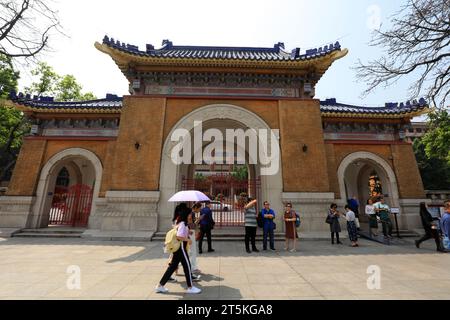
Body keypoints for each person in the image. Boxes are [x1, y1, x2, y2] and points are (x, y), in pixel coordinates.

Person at [155, 210, 202, 294]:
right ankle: (190, 287)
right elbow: (179, 236)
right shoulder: (183, 224)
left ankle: (160, 286)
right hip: (181, 248)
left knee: (172, 267)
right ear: (186, 215)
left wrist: (187, 232)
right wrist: (188, 239)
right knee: (187, 267)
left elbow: (180, 232)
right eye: (189, 214)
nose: (190, 215)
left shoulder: (182, 223)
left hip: (179, 249)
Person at [189, 202, 202, 272]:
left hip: (190, 232)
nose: (200, 210)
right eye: (199, 208)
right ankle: (193, 267)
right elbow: (192, 225)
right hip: (190, 232)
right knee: (192, 251)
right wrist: (199, 219)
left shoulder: (190, 213)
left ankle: (192, 267)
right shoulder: (192, 213)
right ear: (196, 208)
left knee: (191, 251)